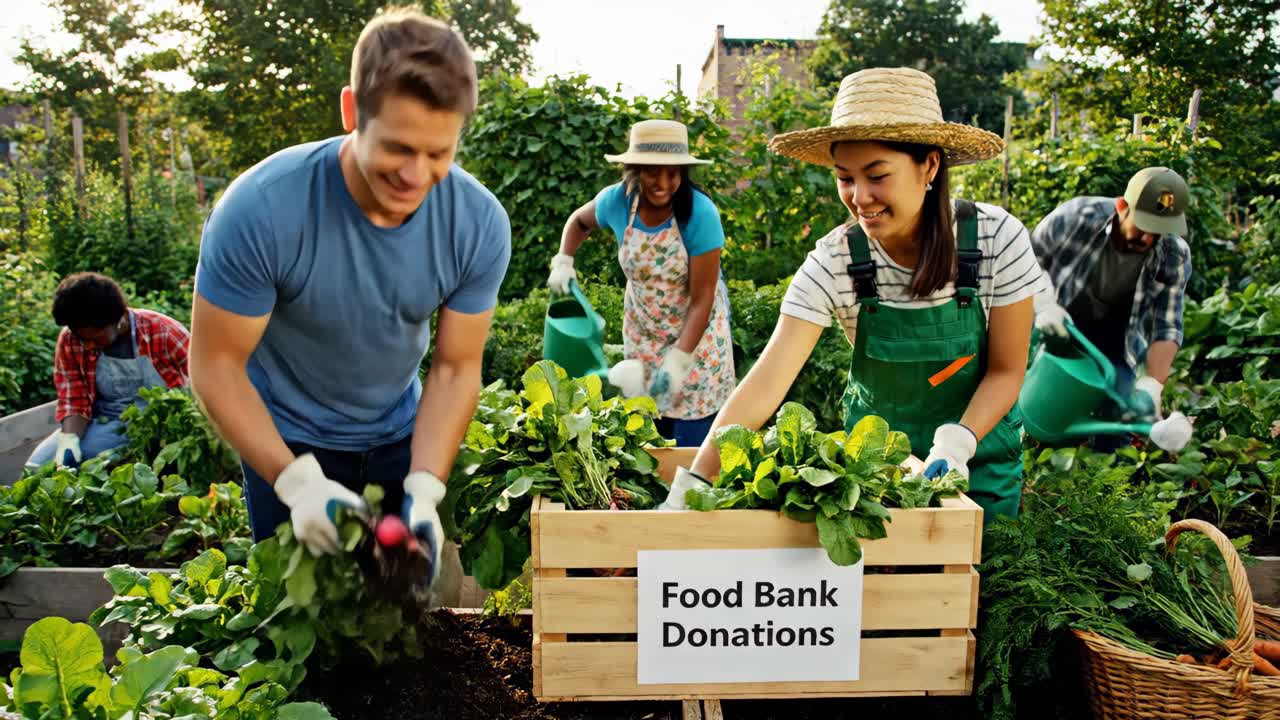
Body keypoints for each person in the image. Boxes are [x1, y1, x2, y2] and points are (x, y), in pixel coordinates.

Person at [190, 7, 511, 590]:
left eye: (439, 154)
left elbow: (455, 367)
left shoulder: (477, 224)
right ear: (350, 112)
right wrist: (296, 484)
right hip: (283, 438)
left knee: (399, 621)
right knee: (299, 625)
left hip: (398, 437)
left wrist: (425, 487)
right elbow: (215, 364)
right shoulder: (261, 210)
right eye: (398, 148)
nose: (416, 176)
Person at [673, 67, 1039, 520]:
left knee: (976, 583)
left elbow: (1006, 370)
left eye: (877, 175)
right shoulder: (836, 260)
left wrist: (959, 441)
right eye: (845, 178)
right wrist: (693, 483)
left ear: (929, 165)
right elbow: (766, 384)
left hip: (979, 466)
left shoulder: (996, 239)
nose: (859, 196)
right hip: (876, 477)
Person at [548, 119, 735, 447]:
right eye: (652, 172)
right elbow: (579, 222)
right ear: (634, 170)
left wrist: (679, 361)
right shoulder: (617, 202)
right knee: (646, 447)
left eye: (673, 173)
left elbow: (703, 298)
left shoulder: (700, 213)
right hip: (643, 337)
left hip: (697, 345)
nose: (663, 182)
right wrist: (564, 262)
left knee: (691, 454)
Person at [1031, 167, 1192, 428]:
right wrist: (1042, 304)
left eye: (1159, 230)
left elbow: (1167, 327)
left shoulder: (1174, 253)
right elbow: (1024, 263)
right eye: (1143, 226)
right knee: (1033, 407)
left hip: (1117, 340)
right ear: (1121, 207)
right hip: (1058, 325)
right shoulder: (1075, 218)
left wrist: (1151, 387)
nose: (1148, 238)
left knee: (1118, 425)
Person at [26, 272, 190, 469]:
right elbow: (74, 399)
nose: (86, 346)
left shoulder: (163, 331)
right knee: (37, 466)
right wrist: (69, 439)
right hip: (108, 421)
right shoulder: (70, 339)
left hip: (163, 422)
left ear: (118, 319)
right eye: (81, 338)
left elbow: (207, 378)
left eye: (94, 339)